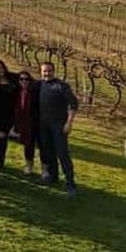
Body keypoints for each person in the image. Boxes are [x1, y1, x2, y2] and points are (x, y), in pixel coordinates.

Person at [38, 62, 79, 197]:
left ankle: (70, 183)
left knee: (62, 153)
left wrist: (69, 123)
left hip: (59, 125)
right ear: (41, 71)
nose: (47, 73)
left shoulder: (62, 86)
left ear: (53, 71)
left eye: (49, 71)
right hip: (44, 125)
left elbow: (74, 104)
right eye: (44, 71)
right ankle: (53, 177)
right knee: (48, 152)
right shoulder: (40, 85)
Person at [14, 70, 42, 175]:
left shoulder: (35, 92)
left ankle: (44, 169)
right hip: (25, 124)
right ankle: (29, 166)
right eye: (21, 79)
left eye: (26, 79)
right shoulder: (17, 92)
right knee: (28, 146)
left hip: (36, 123)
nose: (24, 81)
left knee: (42, 146)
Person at [0, 60, 17, 168]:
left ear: (4, 68)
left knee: (4, 136)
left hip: (9, 113)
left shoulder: (12, 80)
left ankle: (1, 160)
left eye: (0, 67)